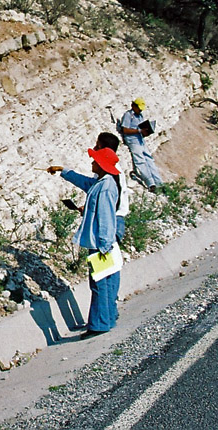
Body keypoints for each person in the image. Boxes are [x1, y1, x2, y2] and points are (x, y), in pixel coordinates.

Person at [48, 143, 122, 338]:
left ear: (101, 165)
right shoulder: (103, 182)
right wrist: (63, 171)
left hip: (100, 244)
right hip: (103, 242)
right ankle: (108, 318)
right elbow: (83, 182)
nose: (92, 162)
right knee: (107, 282)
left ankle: (99, 325)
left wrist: (104, 246)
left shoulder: (105, 188)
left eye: (95, 160)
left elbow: (106, 219)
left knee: (99, 283)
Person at [116, 98, 164, 192]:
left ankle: (160, 183)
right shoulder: (128, 115)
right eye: (139, 108)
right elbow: (124, 129)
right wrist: (139, 131)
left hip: (140, 140)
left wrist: (145, 132)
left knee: (149, 161)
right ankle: (151, 184)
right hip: (133, 141)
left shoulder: (140, 116)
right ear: (133, 106)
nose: (140, 110)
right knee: (140, 161)